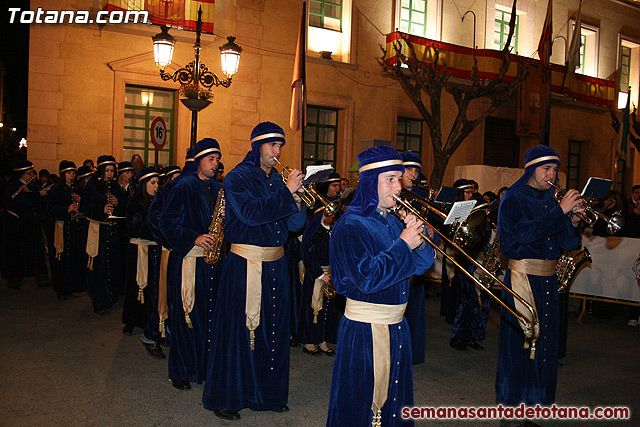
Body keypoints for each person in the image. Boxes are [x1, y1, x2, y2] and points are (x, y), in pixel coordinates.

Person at [203, 121, 307, 420]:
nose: (278, 151)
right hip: (244, 265)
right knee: (237, 335)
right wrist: (287, 194)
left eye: (280, 146)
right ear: (257, 146)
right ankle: (227, 397)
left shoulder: (277, 180)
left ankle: (268, 395)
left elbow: (293, 227)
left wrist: (297, 203)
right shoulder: (237, 177)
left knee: (273, 333)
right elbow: (249, 215)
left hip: (276, 264)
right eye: (272, 145)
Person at [326, 145, 435, 426]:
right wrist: (403, 245)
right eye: (390, 179)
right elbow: (367, 278)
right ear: (371, 182)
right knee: (363, 404)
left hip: (396, 326)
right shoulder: (352, 225)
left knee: (395, 401)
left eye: (399, 179)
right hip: (365, 330)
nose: (398, 186)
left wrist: (418, 234)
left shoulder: (390, 221)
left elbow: (421, 264)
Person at [496, 145, 582, 417]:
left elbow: (568, 242)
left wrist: (575, 220)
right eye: (546, 168)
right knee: (521, 344)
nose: (552, 175)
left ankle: (537, 405)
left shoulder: (551, 202)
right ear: (531, 169)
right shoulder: (513, 199)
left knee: (545, 345)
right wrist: (560, 212)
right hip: (522, 278)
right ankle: (512, 406)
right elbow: (519, 236)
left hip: (548, 281)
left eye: (555, 170)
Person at [159, 139, 224, 390]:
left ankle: (206, 368)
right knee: (185, 317)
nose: (215, 164)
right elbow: (166, 223)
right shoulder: (183, 185)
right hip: (189, 260)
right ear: (199, 160)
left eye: (217, 159)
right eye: (211, 159)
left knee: (210, 317)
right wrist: (193, 237)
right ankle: (181, 371)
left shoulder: (220, 188)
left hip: (213, 263)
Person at [122, 168, 165, 358]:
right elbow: (134, 227)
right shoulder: (134, 203)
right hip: (139, 249)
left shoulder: (159, 203)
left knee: (152, 288)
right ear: (144, 185)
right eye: (152, 183)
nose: (156, 187)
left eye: (157, 183)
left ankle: (149, 320)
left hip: (154, 249)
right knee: (137, 285)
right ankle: (132, 319)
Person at [448, 179, 490, 351]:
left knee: (475, 300)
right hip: (462, 260)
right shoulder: (456, 211)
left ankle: (472, 335)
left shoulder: (473, 210)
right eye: (468, 192)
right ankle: (459, 336)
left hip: (472, 257)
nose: (471, 195)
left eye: (472, 192)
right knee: (465, 300)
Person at [82, 155, 126, 314]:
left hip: (112, 231)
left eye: (112, 171)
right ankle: (98, 299)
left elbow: (123, 208)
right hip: (97, 230)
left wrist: (117, 204)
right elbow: (85, 208)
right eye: (107, 171)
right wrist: (102, 210)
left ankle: (111, 296)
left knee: (113, 263)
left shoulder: (116, 187)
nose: (110, 174)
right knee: (98, 265)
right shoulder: (92, 186)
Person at [297, 207, 342, 356]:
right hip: (315, 276)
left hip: (329, 274)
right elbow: (307, 254)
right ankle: (309, 340)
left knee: (327, 310)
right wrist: (320, 274)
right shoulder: (314, 231)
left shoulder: (333, 230)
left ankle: (322, 340)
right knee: (313, 309)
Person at [400, 150, 431, 364]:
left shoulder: (420, 196)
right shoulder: (394, 195)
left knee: (415, 310)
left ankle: (412, 353)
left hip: (418, 257)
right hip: (401, 256)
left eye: (416, 170)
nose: (413, 173)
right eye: (409, 169)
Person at [1, 160, 50, 289]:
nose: (31, 176)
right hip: (17, 225)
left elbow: (38, 202)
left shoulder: (32, 186)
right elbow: (18, 202)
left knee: (37, 251)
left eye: (31, 173)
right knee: (16, 252)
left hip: (32, 224)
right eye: (28, 174)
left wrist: (35, 194)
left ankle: (41, 277)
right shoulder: (12, 186)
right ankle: (14, 279)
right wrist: (33, 195)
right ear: (21, 174)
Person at [47, 161, 86, 299]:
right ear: (63, 174)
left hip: (74, 227)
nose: (72, 175)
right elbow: (50, 209)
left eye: (73, 173)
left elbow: (86, 206)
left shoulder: (78, 189)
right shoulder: (56, 189)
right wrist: (66, 209)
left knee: (75, 257)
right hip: (61, 228)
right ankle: (62, 288)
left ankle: (75, 286)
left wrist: (80, 202)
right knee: (61, 258)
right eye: (69, 173)